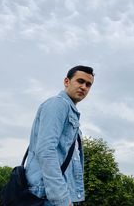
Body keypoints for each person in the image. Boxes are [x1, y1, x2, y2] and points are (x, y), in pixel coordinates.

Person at [25, 65, 94, 206]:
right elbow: (46, 151)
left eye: (88, 84)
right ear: (66, 81)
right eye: (80, 81)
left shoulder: (70, 111)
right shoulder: (58, 104)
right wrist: (62, 198)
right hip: (48, 196)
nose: (84, 87)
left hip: (59, 194)